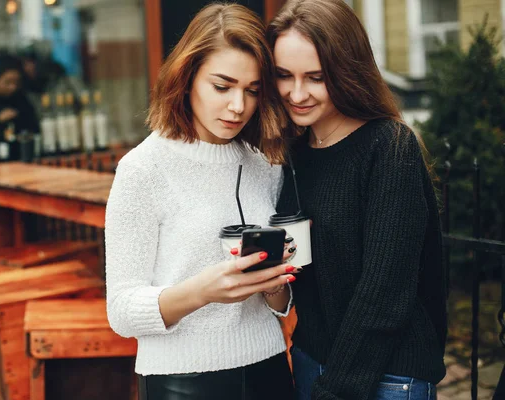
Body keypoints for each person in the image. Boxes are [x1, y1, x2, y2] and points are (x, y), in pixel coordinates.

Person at [105, 4, 296, 400]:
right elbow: (121, 311)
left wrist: (275, 284)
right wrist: (204, 291)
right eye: (222, 86)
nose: (238, 106)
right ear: (187, 77)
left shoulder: (265, 164)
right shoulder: (143, 168)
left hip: (269, 368)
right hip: (182, 381)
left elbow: (280, 303)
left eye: (252, 90)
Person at [267, 1, 448, 399]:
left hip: (388, 375)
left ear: (346, 70)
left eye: (315, 77)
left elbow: (385, 292)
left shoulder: (388, 147)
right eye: (284, 76)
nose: (296, 93)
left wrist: (336, 390)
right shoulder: (296, 154)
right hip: (312, 361)